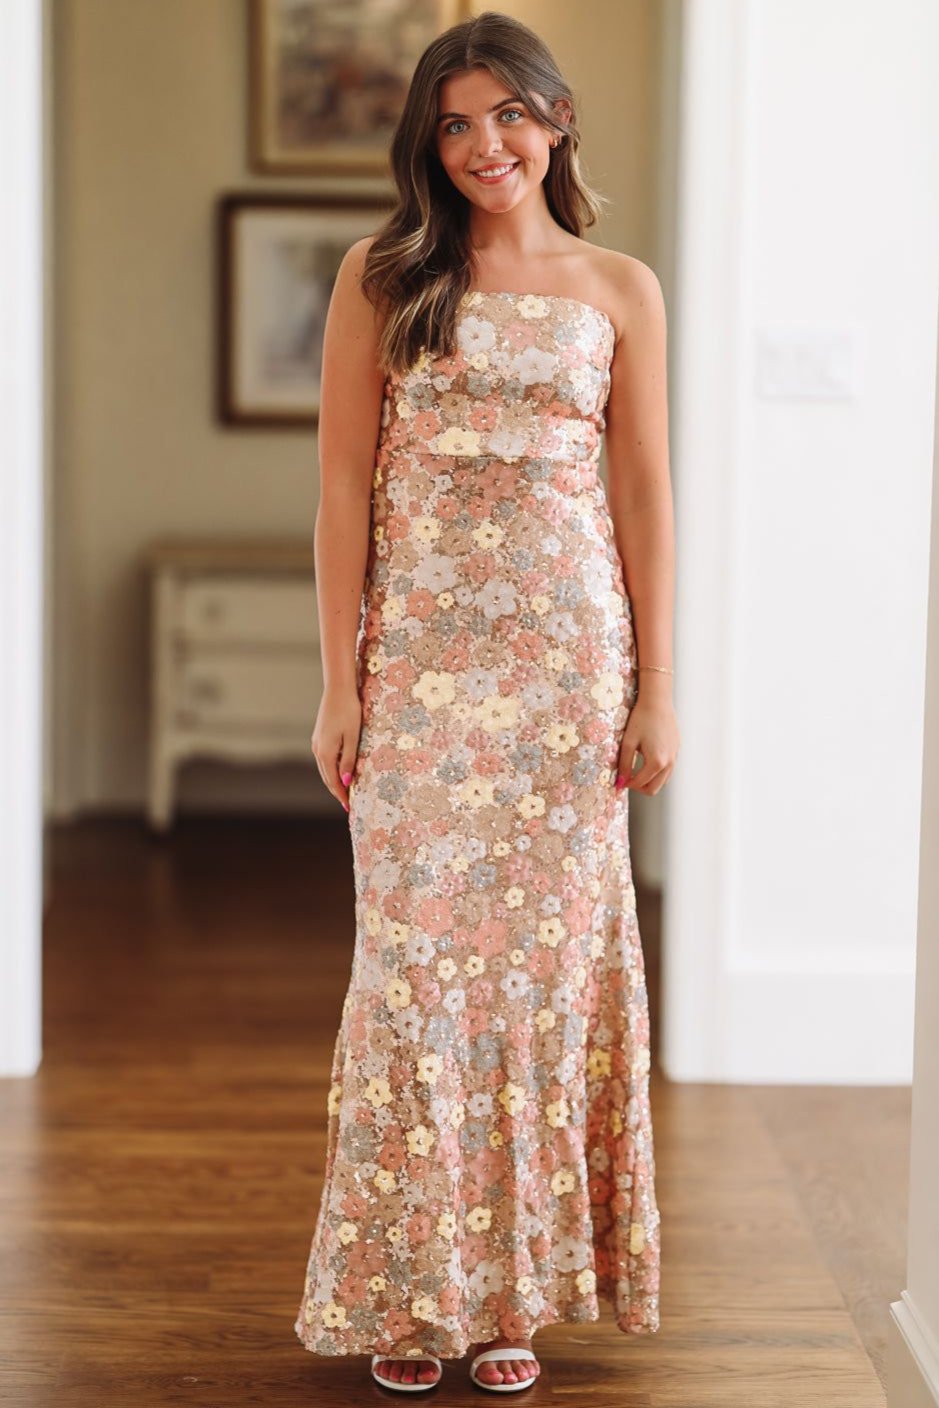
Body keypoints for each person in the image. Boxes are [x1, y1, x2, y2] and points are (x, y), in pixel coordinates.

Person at [296, 9, 678, 1394]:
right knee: (412, 976)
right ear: (428, 142)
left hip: (568, 678)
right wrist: (340, 682)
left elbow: (644, 495)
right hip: (422, 675)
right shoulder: (384, 275)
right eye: (455, 124)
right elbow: (343, 487)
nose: (484, 145)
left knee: (544, 981)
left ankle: (510, 1294)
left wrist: (658, 687)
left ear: (557, 120)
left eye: (508, 114)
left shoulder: (621, 286)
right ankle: (412, 1296)